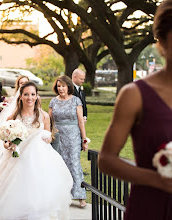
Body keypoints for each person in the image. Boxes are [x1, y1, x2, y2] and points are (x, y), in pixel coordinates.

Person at [98, 1, 172, 219]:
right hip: (151, 207)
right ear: (162, 42)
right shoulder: (134, 94)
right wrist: (158, 180)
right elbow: (106, 160)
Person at [0, 81, 73, 219]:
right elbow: (6, 143)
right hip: (17, 162)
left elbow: (49, 137)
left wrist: (46, 138)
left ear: (37, 96)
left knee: (40, 194)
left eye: (33, 94)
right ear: (20, 96)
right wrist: (9, 145)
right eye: (26, 94)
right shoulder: (13, 117)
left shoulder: (43, 116)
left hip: (39, 162)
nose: (29, 98)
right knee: (16, 193)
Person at [49, 75, 89, 208]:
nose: (61, 89)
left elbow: (80, 122)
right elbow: (49, 121)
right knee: (59, 164)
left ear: (68, 87)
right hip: (57, 136)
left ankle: (80, 196)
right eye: (59, 86)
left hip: (73, 136)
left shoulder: (76, 100)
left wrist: (84, 139)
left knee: (74, 163)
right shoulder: (53, 102)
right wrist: (49, 135)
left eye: (63, 86)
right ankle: (62, 195)